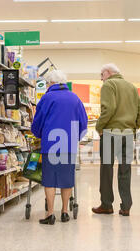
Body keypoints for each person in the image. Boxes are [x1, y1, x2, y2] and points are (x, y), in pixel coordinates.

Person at [31, 70, 88, 225]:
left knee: (49, 179)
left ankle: (50, 214)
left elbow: (38, 121)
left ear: (50, 83)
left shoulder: (47, 98)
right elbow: (83, 123)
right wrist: (76, 137)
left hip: (50, 144)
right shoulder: (75, 98)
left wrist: (37, 134)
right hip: (68, 144)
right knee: (66, 178)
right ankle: (64, 212)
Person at [92, 63, 140, 217]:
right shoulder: (132, 87)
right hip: (127, 134)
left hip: (110, 133)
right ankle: (126, 206)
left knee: (107, 170)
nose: (101, 79)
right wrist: (134, 128)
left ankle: (107, 205)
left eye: (101, 76)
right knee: (125, 170)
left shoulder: (109, 85)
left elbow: (109, 108)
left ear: (108, 73)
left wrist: (99, 127)